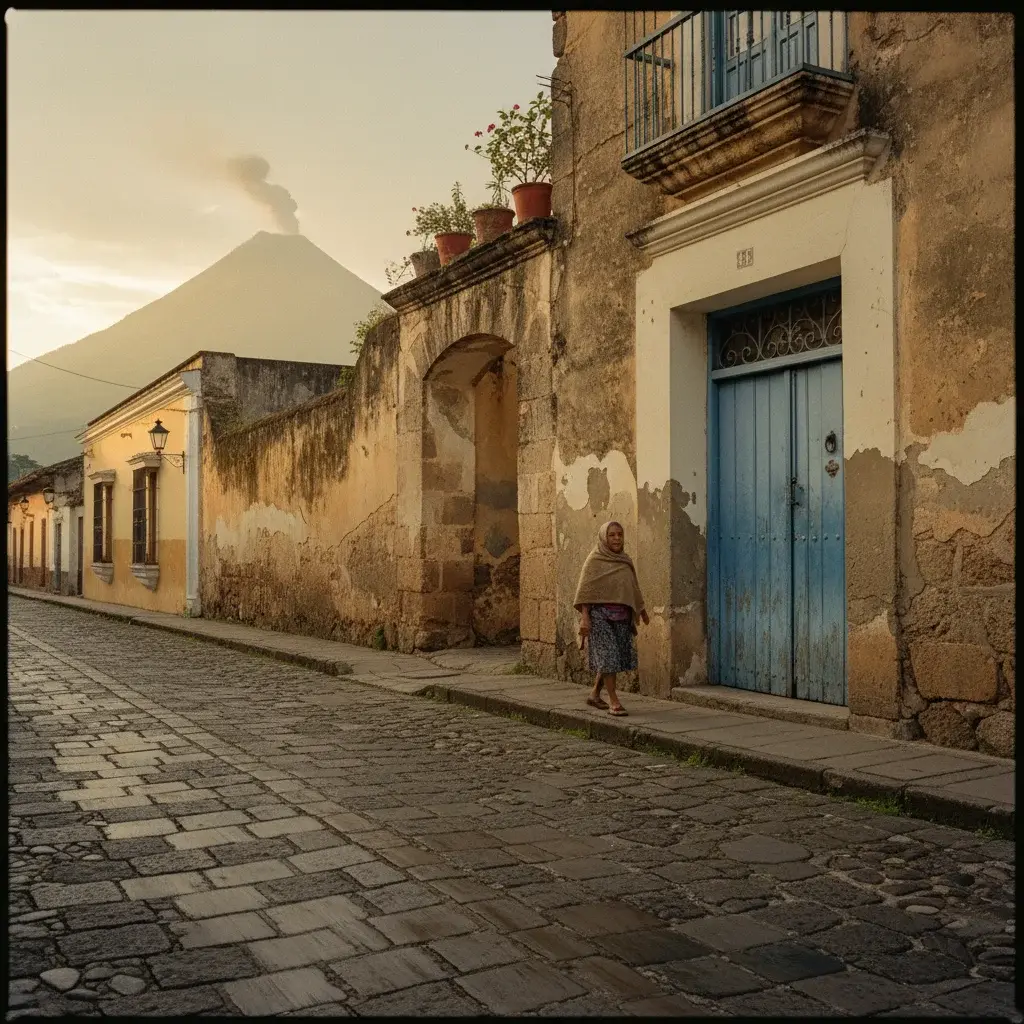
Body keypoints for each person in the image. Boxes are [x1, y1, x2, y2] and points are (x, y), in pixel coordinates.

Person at [573, 520, 649, 716]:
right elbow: (585, 592)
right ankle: (614, 701)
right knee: (608, 657)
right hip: (599, 617)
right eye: (612, 535)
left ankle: (594, 695)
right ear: (603, 537)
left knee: (613, 657)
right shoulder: (594, 560)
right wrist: (585, 618)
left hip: (622, 617)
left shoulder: (625, 560)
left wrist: (640, 609)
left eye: (619, 535)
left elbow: (632, 586)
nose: (616, 538)